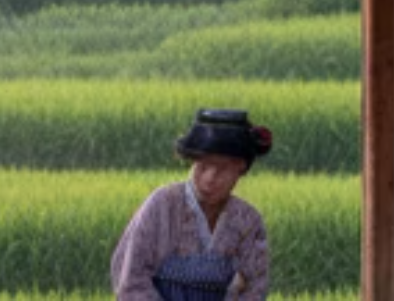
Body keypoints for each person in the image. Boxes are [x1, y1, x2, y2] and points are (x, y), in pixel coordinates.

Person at [110, 108, 274, 300]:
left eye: (222, 169)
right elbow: (130, 279)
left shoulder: (248, 221)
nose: (209, 178)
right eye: (203, 166)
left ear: (240, 168)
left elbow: (254, 288)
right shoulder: (162, 204)